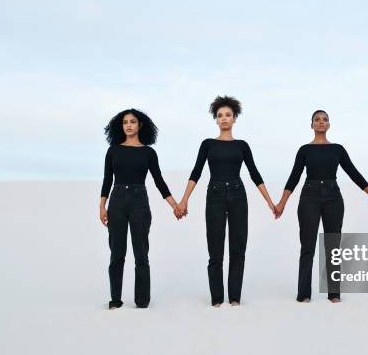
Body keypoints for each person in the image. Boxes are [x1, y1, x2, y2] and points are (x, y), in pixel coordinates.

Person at [274, 110, 368, 303]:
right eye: (317, 120)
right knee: (307, 246)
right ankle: (304, 294)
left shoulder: (338, 149)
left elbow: (353, 173)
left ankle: (334, 294)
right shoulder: (304, 150)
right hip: (309, 196)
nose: (321, 122)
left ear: (329, 125)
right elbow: (294, 177)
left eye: (325, 120)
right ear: (312, 125)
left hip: (333, 198)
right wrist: (282, 202)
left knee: (333, 246)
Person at [175, 96, 276, 307]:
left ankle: (235, 298)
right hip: (215, 196)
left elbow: (254, 174)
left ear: (235, 118)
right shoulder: (208, 144)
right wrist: (183, 200)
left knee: (238, 248)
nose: (224, 119)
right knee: (215, 249)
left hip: (239, 195)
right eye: (220, 116)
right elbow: (196, 173)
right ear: (216, 119)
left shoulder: (242, 145)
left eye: (228, 115)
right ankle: (217, 299)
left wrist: (270, 202)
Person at [99, 109, 180, 310]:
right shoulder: (113, 150)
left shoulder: (148, 153)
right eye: (125, 122)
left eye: (133, 121)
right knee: (117, 253)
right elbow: (107, 180)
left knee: (141, 253)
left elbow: (158, 181)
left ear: (140, 125)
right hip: (116, 202)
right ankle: (115, 300)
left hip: (139, 202)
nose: (128, 125)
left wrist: (175, 206)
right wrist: (102, 206)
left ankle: (142, 301)